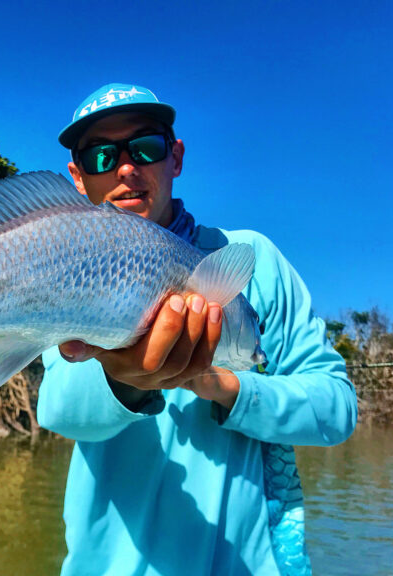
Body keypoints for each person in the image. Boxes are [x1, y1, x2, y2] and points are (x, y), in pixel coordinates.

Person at [37, 83, 357, 576]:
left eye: (146, 147)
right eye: (101, 156)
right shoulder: (69, 268)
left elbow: (336, 408)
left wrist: (222, 384)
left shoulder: (253, 260)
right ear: (78, 178)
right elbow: (60, 409)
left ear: (176, 157)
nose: (126, 168)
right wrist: (126, 379)